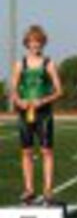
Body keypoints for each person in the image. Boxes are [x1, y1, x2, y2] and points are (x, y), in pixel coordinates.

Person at [10, 25, 63, 205]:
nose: (35, 45)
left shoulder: (48, 63)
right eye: (32, 41)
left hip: (44, 114)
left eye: (38, 42)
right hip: (25, 114)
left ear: (43, 43)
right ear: (27, 43)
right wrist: (19, 101)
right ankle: (29, 189)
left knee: (47, 151)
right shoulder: (20, 64)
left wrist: (44, 100)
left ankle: (48, 189)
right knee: (26, 151)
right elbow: (13, 90)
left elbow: (59, 90)